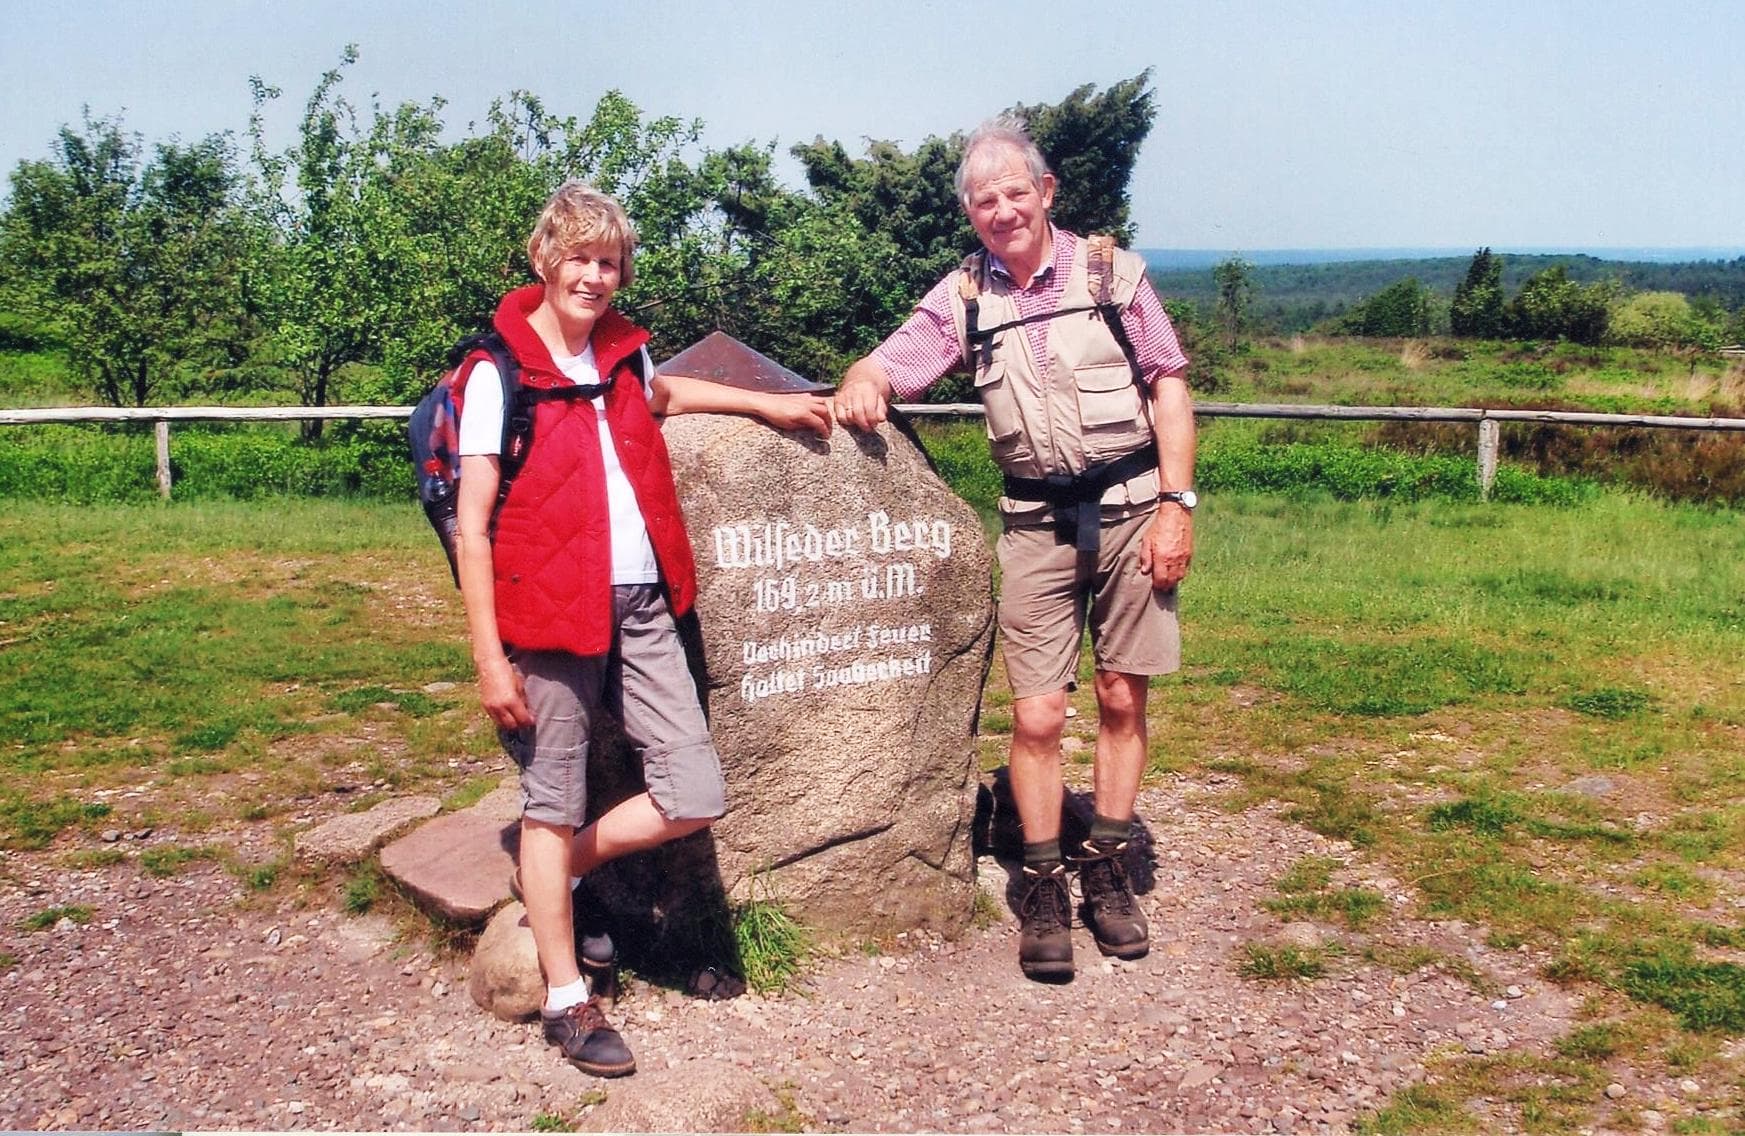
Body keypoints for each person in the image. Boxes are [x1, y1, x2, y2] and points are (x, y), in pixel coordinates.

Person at [455, 182, 832, 1075]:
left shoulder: (623, 355)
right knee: (550, 800)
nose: (594, 275)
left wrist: (766, 404)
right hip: (545, 617)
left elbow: (662, 395)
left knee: (693, 789)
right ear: (545, 259)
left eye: (608, 261)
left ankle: (553, 874)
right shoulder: (495, 372)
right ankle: (564, 1000)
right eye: (579, 257)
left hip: (641, 605)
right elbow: (471, 523)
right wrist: (489, 660)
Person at [834, 117, 1195, 982]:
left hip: (1133, 509)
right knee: (1036, 713)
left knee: (1119, 695)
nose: (1001, 210)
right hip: (1034, 524)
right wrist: (861, 379)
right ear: (969, 213)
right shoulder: (962, 298)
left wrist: (1178, 505)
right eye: (983, 199)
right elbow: (892, 363)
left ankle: (1105, 869)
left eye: (1014, 193)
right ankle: (1040, 880)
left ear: (1046, 193)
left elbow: (1168, 384)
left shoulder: (1113, 275)